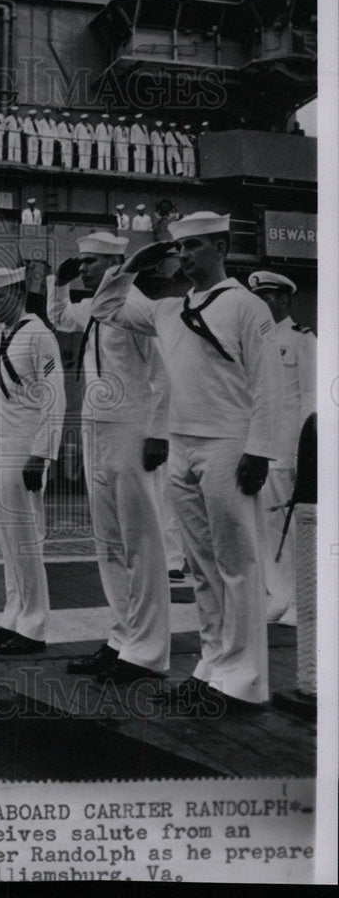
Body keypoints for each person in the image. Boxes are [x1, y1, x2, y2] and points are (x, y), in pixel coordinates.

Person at [91, 211, 284, 714]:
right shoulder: (167, 310)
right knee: (201, 567)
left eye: (195, 247)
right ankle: (214, 667)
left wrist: (259, 449)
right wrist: (133, 263)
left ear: (221, 247)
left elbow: (269, 384)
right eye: (180, 249)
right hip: (181, 444)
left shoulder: (246, 306)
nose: (185, 258)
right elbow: (106, 307)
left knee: (236, 564)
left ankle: (243, 682)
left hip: (229, 445)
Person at [48, 233, 171, 682]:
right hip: (95, 427)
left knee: (141, 543)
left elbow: (164, 372)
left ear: (117, 264)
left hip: (131, 428)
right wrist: (59, 283)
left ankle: (148, 651)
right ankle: (122, 638)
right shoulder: (95, 309)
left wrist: (158, 433)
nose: (84, 270)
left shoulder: (136, 307)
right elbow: (61, 317)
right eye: (81, 263)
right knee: (109, 543)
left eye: (92, 263)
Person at [0, 267, 65, 654]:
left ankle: (33, 626)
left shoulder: (39, 335)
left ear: (19, 294)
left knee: (26, 543)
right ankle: (12, 617)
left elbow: (54, 396)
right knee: (8, 542)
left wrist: (41, 454)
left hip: (24, 451)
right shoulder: (3, 332)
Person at [248, 270, 317, 626]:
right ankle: (278, 594)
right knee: (264, 529)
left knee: (289, 529)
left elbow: (311, 398)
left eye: (267, 297)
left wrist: (304, 454)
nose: (260, 304)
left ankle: (298, 599)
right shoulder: (254, 339)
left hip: (288, 450)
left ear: (284, 300)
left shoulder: (302, 339)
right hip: (258, 448)